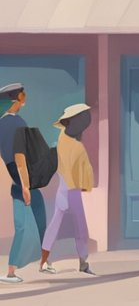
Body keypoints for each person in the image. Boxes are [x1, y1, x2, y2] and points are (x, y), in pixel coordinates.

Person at [38, 104, 96, 276]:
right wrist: (86, 186)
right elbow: (85, 172)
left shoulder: (62, 138)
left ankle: (43, 261)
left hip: (63, 188)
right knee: (80, 228)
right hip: (73, 191)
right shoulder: (78, 147)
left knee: (54, 224)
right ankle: (83, 263)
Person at [0, 83, 43, 284]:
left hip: (13, 177)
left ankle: (13, 269)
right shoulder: (17, 123)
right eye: (22, 96)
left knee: (23, 225)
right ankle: (16, 269)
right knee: (29, 223)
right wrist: (26, 185)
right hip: (21, 177)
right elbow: (20, 156)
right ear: (17, 99)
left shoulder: (2, 123)